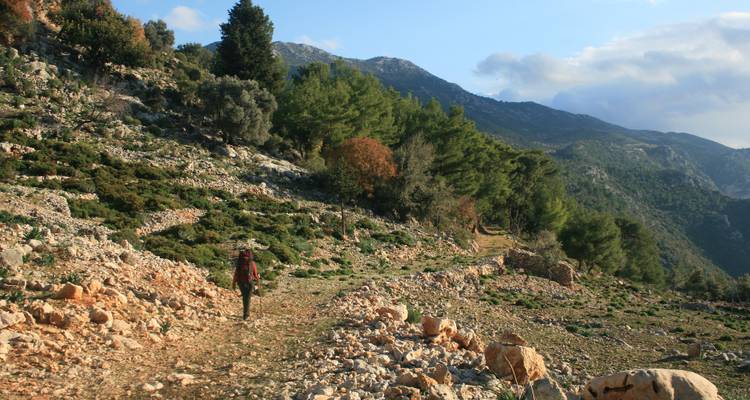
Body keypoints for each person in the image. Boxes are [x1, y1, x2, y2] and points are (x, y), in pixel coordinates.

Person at [232, 248, 260, 320]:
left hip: (240, 283)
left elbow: (236, 274)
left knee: (245, 298)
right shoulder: (252, 263)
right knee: (248, 298)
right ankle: (246, 315)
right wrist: (257, 279)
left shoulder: (239, 263)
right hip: (249, 282)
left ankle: (246, 314)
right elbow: (256, 275)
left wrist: (234, 283)